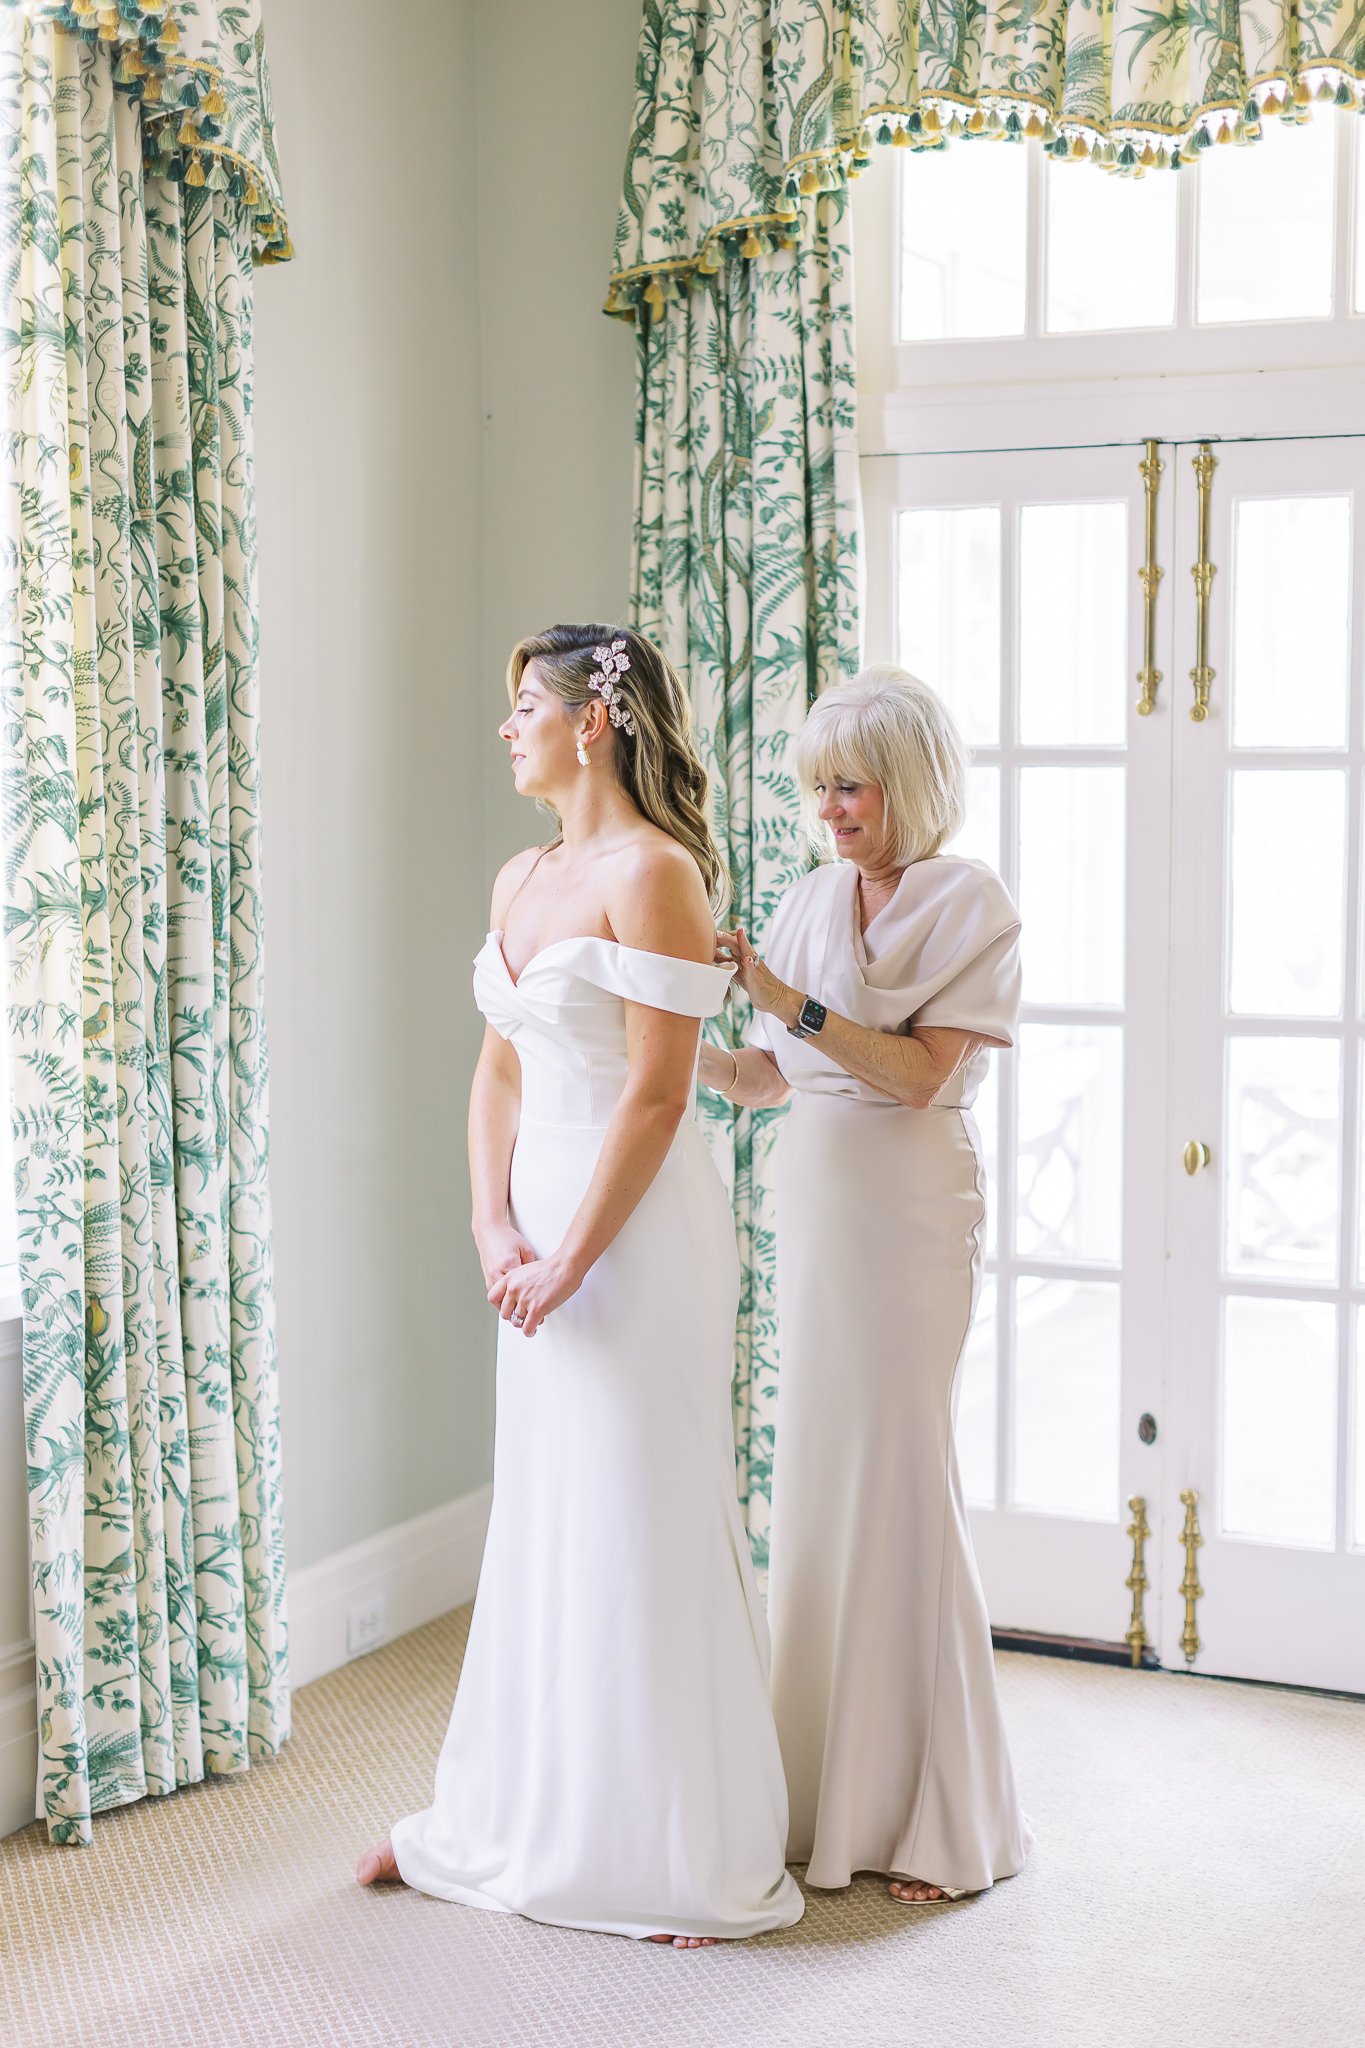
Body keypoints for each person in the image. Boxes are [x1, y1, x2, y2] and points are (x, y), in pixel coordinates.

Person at [357, 625, 803, 1947]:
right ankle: (509, 1815)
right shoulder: (522, 873)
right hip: (538, 1226)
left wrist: (570, 1256)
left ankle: (675, 1853)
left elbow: (662, 1095)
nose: (507, 729)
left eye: (525, 707)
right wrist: (494, 1228)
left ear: (592, 722)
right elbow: (499, 1070)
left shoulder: (655, 874)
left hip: (638, 1236)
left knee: (639, 1512)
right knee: (549, 1515)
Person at [702, 666, 1033, 1906]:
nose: (831, 808)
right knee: (826, 1481)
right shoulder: (805, 900)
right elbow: (766, 1077)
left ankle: (939, 1815)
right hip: (816, 1210)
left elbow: (914, 1078)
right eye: (819, 787)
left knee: (901, 1479)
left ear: (910, 783)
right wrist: (678, 1023)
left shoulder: (968, 901)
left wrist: (790, 1002)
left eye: (852, 785)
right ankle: (821, 1790)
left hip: (907, 1218)